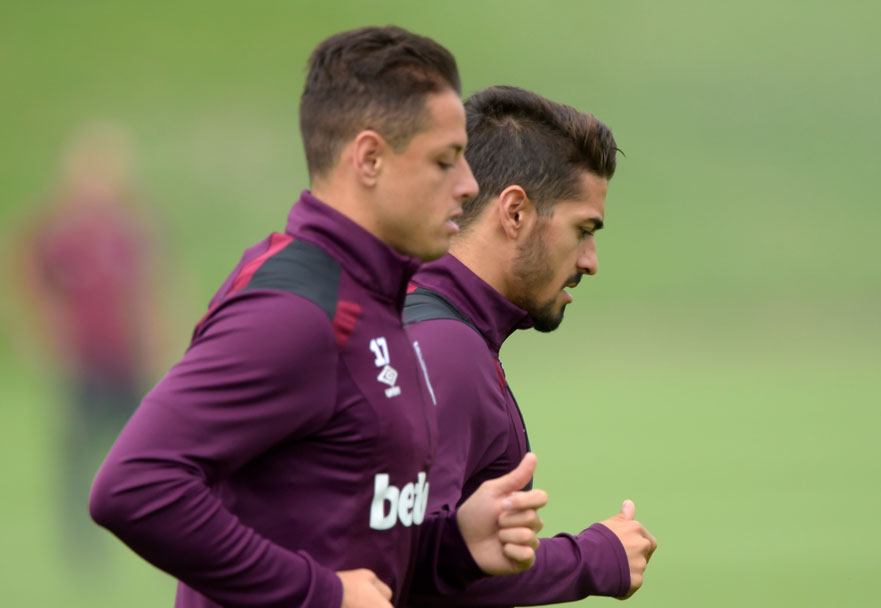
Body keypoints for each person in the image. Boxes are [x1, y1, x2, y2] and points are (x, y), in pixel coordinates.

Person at [89, 28, 548, 608]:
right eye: (444, 160)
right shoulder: (296, 311)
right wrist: (318, 593)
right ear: (369, 159)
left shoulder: (379, 299)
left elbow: (350, 521)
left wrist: (455, 545)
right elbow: (133, 486)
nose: (467, 186)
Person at [404, 86, 657, 607]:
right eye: (583, 230)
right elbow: (406, 565)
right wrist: (593, 559)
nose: (590, 261)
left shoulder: (428, 316)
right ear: (514, 212)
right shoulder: (445, 349)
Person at [15, 122, 160, 558]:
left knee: (147, 447)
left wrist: (155, 340)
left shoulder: (129, 230)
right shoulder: (60, 232)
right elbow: (26, 276)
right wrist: (44, 334)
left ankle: (152, 527)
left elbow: (150, 289)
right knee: (80, 453)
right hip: (86, 360)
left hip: (126, 359)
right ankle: (80, 542)